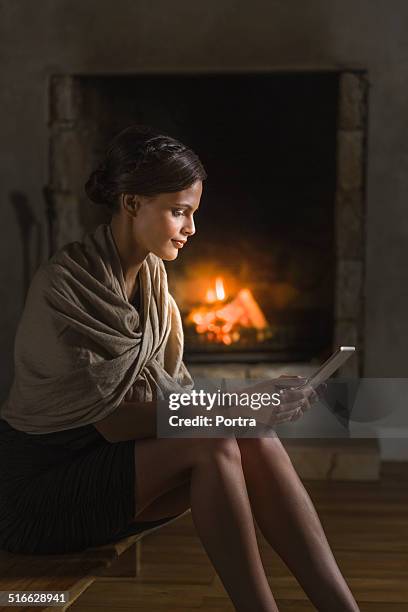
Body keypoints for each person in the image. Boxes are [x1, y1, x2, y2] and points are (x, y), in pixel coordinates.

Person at [0, 125, 359, 612]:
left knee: (253, 437)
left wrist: (249, 408)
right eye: (178, 212)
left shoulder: (151, 279)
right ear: (131, 204)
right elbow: (116, 420)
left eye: (192, 213)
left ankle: (341, 607)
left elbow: (169, 399)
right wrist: (242, 403)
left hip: (111, 475)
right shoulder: (64, 286)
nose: (190, 229)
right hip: (39, 495)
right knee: (216, 442)